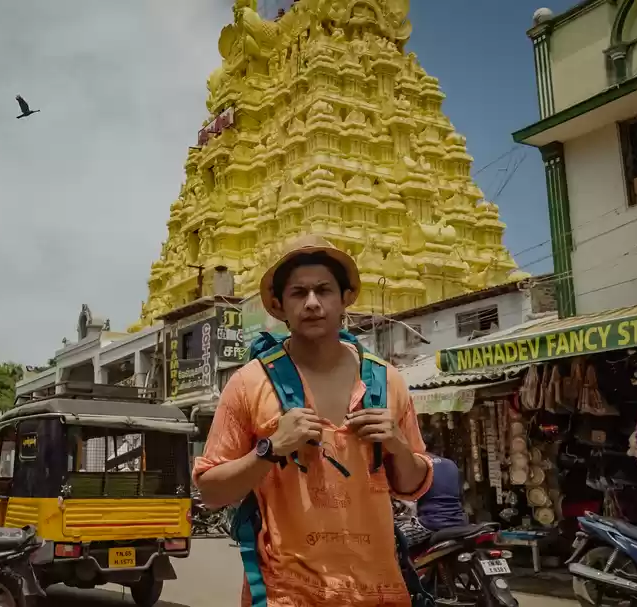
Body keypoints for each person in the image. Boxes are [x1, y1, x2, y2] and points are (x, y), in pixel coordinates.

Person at [194, 235, 433, 607]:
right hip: (288, 593)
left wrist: (398, 447)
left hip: (379, 591)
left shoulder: (386, 381)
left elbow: (413, 485)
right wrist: (270, 449)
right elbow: (210, 491)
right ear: (279, 305)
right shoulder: (250, 383)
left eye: (323, 290)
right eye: (298, 293)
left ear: (344, 299)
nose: (312, 303)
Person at [396, 454, 468, 547]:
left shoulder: (417, 465)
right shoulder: (451, 464)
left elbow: (407, 492)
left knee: (387, 541)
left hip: (431, 524)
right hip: (458, 521)